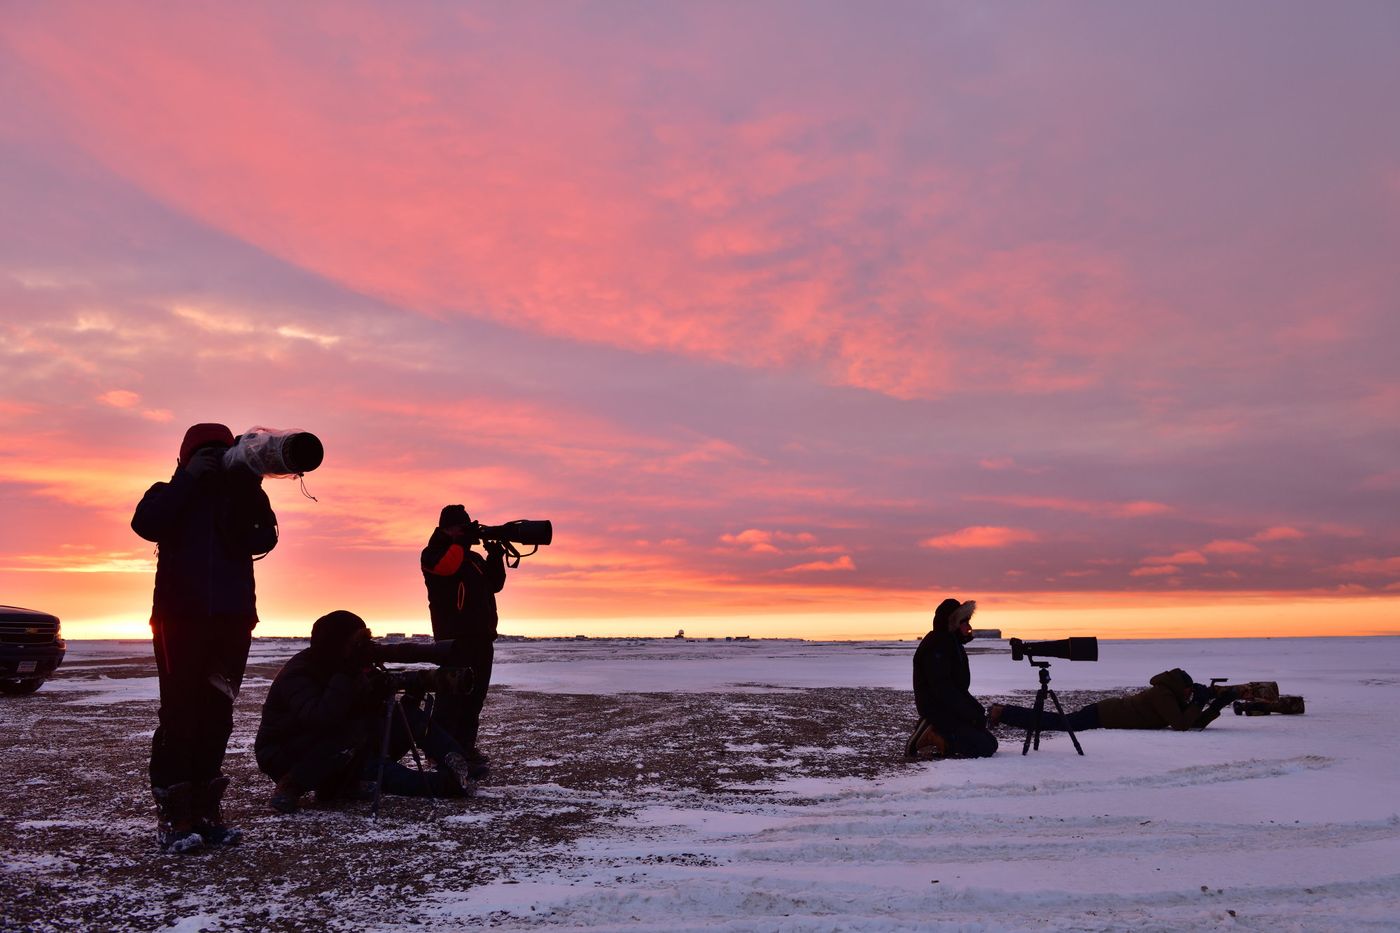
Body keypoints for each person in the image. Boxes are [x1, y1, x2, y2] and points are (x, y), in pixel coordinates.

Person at [131, 423, 279, 853]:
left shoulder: (243, 493)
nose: (215, 459)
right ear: (186, 456)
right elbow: (147, 525)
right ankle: (176, 814)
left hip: (232, 622)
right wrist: (188, 478)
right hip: (178, 622)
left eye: (222, 452)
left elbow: (263, 538)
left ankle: (207, 810)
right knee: (179, 716)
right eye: (205, 453)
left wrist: (249, 483)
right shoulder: (167, 490)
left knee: (218, 714)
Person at [254, 610, 477, 812]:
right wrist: (347, 676)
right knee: (362, 750)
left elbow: (365, 714)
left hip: (339, 745)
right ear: (336, 645)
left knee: (402, 718)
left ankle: (459, 764)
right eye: (357, 643)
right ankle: (292, 784)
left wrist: (396, 694)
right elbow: (320, 718)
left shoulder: (346, 666)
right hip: (285, 752)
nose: (363, 650)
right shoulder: (299, 673)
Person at [420, 505, 506, 778]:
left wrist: (495, 556)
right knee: (450, 699)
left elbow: (495, 584)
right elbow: (447, 567)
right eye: (461, 527)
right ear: (448, 528)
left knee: (474, 698)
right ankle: (442, 753)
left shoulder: (472, 558)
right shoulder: (433, 554)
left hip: (481, 638)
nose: (466, 531)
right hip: (453, 640)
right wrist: (459, 542)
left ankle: (465, 749)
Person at [988, 669, 1249, 733]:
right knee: (1060, 724)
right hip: (1104, 713)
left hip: (1108, 712)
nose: (1188, 696)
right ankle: (1004, 712)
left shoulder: (1171, 695)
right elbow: (1181, 725)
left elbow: (1192, 723)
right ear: (1181, 688)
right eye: (1188, 692)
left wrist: (1216, 705)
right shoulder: (1163, 694)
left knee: (1060, 722)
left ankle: (1004, 712)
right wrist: (1198, 702)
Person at [906, 598, 998, 759]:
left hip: (948, 708)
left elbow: (958, 688)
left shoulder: (951, 643)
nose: (969, 627)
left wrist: (976, 711)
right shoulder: (938, 644)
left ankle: (939, 733)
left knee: (989, 741)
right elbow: (943, 688)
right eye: (965, 622)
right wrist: (970, 714)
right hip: (938, 709)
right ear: (954, 623)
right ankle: (932, 733)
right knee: (985, 747)